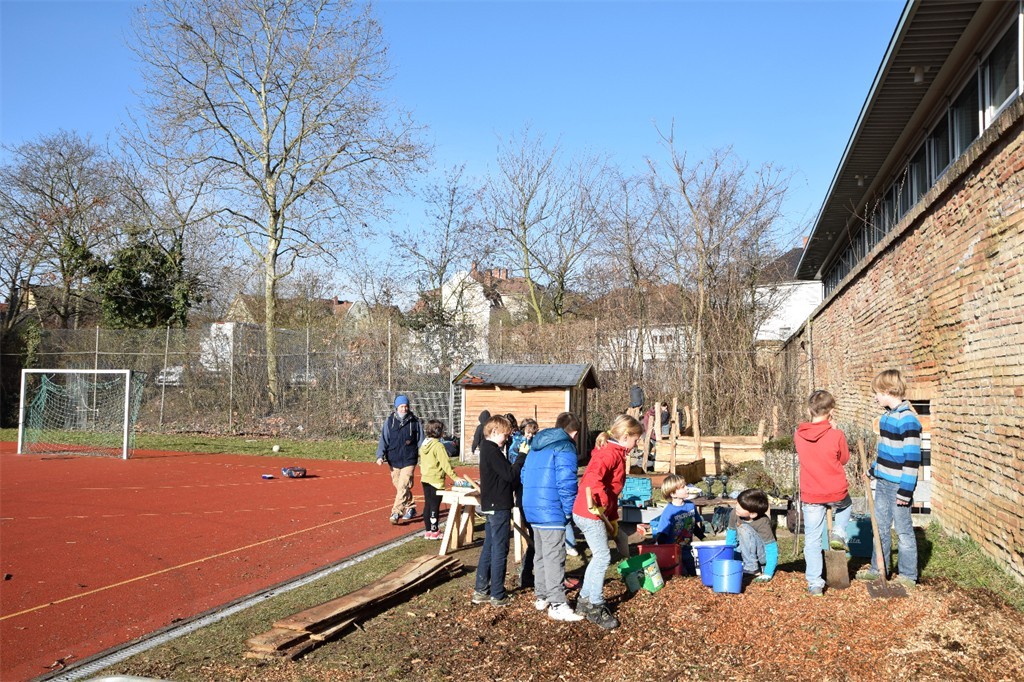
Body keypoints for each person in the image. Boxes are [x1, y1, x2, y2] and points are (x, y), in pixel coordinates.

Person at [572, 414, 643, 629]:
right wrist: (601, 506)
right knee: (603, 557)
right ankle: (595, 605)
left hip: (595, 511)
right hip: (590, 512)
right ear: (626, 436)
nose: (637, 443)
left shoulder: (616, 452)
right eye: (636, 439)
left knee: (599, 557)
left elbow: (611, 492)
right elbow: (592, 481)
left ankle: (584, 600)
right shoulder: (609, 453)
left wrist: (612, 519)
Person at [856, 369, 921, 589]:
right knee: (879, 527)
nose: (875, 397)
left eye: (877, 393)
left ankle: (908, 575)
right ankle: (878, 569)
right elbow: (885, 452)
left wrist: (905, 491)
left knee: (903, 531)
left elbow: (912, 459)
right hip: (883, 483)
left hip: (899, 486)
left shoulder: (908, 420)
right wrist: (873, 470)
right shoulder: (886, 417)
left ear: (887, 391)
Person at [521, 412, 586, 623]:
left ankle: (542, 595)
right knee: (554, 556)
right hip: (551, 508)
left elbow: (523, 475)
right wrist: (568, 510)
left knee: (541, 554)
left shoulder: (536, 446)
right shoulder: (565, 447)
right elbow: (567, 482)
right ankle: (557, 603)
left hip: (532, 506)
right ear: (574, 432)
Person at [795, 389, 853, 596]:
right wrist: (834, 429)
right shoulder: (836, 434)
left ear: (808, 410)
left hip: (811, 493)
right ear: (832, 411)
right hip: (835, 490)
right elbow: (844, 459)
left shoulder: (798, 434)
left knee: (812, 538)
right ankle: (839, 532)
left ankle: (815, 583)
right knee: (846, 505)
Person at [471, 414, 516, 607]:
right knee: (499, 548)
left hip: (491, 505)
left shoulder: (486, 449)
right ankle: (497, 593)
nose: (506, 439)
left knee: (489, 546)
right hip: (498, 506)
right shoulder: (493, 451)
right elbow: (509, 474)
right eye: (505, 435)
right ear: (495, 431)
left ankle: (481, 590)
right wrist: (521, 458)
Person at [375, 395, 422, 525]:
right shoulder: (390, 421)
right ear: (396, 407)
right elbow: (384, 439)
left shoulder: (415, 421)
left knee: (403, 485)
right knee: (399, 485)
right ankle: (411, 507)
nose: (404, 409)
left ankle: (396, 512)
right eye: (401, 406)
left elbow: (421, 441)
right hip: (394, 458)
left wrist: (424, 456)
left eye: (406, 406)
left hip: (409, 458)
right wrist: (380, 455)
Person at [419, 419, 465, 540]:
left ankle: (428, 530)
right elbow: (445, 464)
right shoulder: (438, 446)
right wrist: (455, 477)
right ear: (439, 431)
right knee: (434, 505)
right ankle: (434, 531)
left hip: (425, 478)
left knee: (428, 504)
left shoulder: (424, 444)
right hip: (435, 480)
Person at [652, 474, 705, 575]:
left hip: (687, 548)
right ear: (673, 494)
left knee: (692, 573)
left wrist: (703, 538)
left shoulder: (690, 506)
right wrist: (662, 551)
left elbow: (693, 526)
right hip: (674, 552)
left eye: (686, 485)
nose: (687, 488)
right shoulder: (669, 512)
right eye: (683, 487)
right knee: (680, 575)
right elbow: (662, 534)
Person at [725, 488, 778, 582]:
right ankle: (745, 565)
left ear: (753, 514)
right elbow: (731, 538)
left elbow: (771, 548)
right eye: (737, 503)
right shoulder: (735, 513)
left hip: (761, 555)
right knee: (736, 543)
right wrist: (731, 559)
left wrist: (768, 573)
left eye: (741, 507)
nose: (737, 507)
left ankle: (752, 569)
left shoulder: (763, 522)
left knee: (743, 528)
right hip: (743, 551)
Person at [510, 418, 538, 588]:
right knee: (534, 536)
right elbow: (515, 467)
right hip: (523, 492)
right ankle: (527, 572)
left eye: (534, 433)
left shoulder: (536, 445)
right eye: (528, 433)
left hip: (532, 492)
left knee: (535, 537)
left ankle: (528, 572)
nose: (531, 436)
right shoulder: (517, 446)